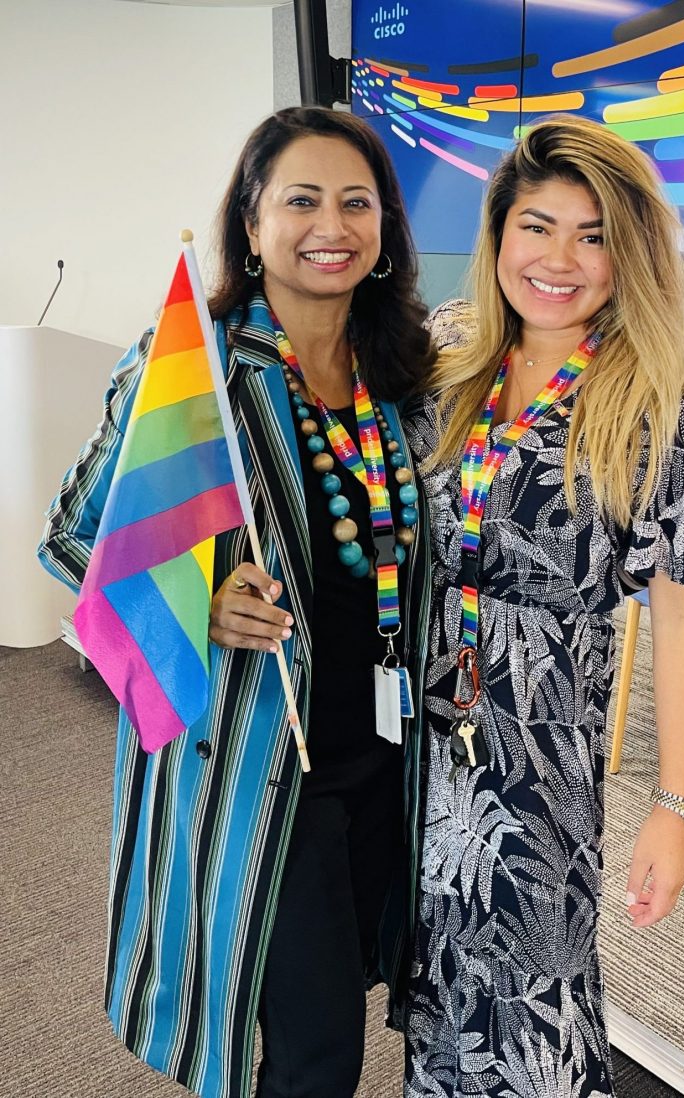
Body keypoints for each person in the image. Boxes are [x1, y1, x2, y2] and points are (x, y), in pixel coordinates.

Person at [38, 106, 435, 1098]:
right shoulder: (199, 366)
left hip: (386, 756)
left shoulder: (404, 378)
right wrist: (202, 594)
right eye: (300, 200)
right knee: (317, 1048)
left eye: (357, 202)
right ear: (251, 226)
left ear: (385, 226)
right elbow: (76, 534)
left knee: (352, 984)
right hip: (264, 760)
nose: (330, 224)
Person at [402, 115, 684, 1097]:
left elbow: (682, 618)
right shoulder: (450, 354)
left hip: (542, 754)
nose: (559, 259)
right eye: (536, 226)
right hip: (424, 734)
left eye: (592, 234)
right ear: (498, 234)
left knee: (538, 994)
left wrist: (674, 809)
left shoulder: (669, 403)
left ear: (627, 250)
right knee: (438, 984)